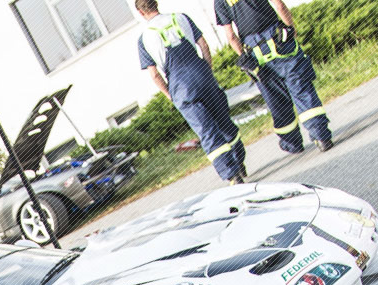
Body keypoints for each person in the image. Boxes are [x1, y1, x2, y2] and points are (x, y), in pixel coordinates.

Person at [135, 0, 248, 183]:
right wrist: (207, 70)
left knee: (206, 131)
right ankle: (239, 162)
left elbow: (154, 75)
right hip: (202, 75)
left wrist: (170, 94)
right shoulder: (181, 17)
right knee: (224, 122)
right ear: (156, 4)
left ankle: (232, 175)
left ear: (140, 12)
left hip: (181, 87)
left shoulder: (144, 39)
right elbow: (203, 45)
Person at [215, 0, 332, 152]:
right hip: (278, 38)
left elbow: (231, 36)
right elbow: (280, 5)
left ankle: (293, 144)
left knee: (276, 100)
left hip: (255, 52)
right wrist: (291, 28)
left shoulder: (219, 1)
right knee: (301, 89)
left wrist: (243, 56)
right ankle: (321, 137)